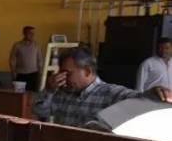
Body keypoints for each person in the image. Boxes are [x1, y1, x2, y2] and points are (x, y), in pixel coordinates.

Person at [34, 46, 172, 128]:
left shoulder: (110, 93)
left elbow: (137, 99)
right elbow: (40, 111)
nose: (63, 77)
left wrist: (154, 94)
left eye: (67, 73)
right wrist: (49, 90)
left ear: (87, 71)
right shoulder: (62, 93)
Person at [9, 26, 43, 91]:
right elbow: (12, 60)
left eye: (33, 33)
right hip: (21, 75)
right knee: (20, 95)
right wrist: (13, 72)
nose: (32, 35)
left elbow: (40, 61)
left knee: (32, 94)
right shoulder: (17, 45)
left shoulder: (36, 46)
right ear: (24, 33)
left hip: (34, 75)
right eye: (30, 33)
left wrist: (40, 74)